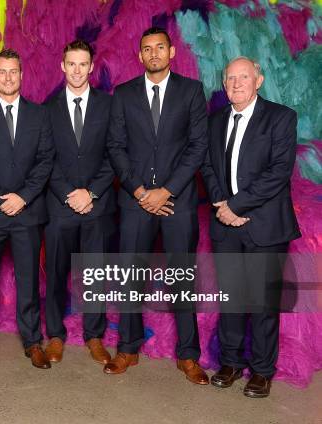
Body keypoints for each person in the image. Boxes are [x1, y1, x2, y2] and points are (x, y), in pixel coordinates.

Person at [106, 27, 209, 384]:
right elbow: (115, 146)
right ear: (140, 56)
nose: (154, 54)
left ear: (171, 52)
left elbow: (198, 146)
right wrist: (138, 191)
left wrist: (166, 191)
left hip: (176, 201)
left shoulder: (192, 91)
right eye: (147, 49)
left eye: (160, 47)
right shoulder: (123, 94)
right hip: (135, 201)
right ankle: (128, 349)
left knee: (182, 277)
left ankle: (188, 355)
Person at [200, 56, 300, 398]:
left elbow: (279, 171)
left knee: (262, 303)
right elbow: (208, 168)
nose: (236, 84)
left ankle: (261, 371)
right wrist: (223, 206)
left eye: (243, 77)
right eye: (229, 78)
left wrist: (237, 206)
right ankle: (230, 362)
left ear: (258, 80)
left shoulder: (281, 117)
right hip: (225, 225)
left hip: (266, 226)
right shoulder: (214, 121)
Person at [0, 49, 55, 371]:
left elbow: (46, 160)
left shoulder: (40, 115)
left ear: (21, 74)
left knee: (29, 281)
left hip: (28, 212)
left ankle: (32, 342)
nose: (7, 77)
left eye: (13, 71)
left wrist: (24, 197)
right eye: (1, 72)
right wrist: (3, 197)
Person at [43, 40, 115, 364]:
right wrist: (68, 194)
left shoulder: (108, 106)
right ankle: (56, 334)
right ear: (62, 65)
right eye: (71, 64)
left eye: (82, 64)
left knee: (95, 273)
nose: (76, 70)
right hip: (60, 206)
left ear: (91, 67)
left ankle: (94, 335)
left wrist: (92, 192)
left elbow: (116, 153)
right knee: (57, 272)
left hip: (97, 205)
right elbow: (44, 159)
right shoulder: (47, 108)